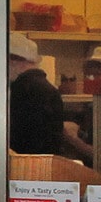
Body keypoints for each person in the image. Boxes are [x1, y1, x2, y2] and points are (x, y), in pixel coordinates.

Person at [8, 32, 91, 161]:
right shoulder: (48, 87)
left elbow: (20, 140)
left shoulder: (22, 88)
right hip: (47, 163)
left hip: (26, 166)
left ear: (13, 61)